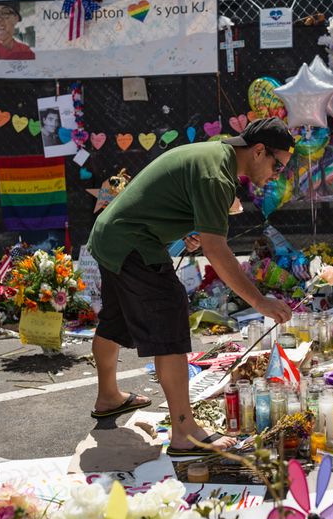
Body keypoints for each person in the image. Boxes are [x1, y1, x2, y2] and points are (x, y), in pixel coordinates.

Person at [87, 118, 294, 456]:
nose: (277, 174)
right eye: (278, 165)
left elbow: (174, 199)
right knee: (169, 315)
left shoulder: (216, 155)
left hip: (112, 235)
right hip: (132, 241)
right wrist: (259, 301)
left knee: (116, 318)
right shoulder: (218, 174)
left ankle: (109, 396)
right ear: (258, 151)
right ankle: (184, 431)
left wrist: (187, 227)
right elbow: (216, 249)